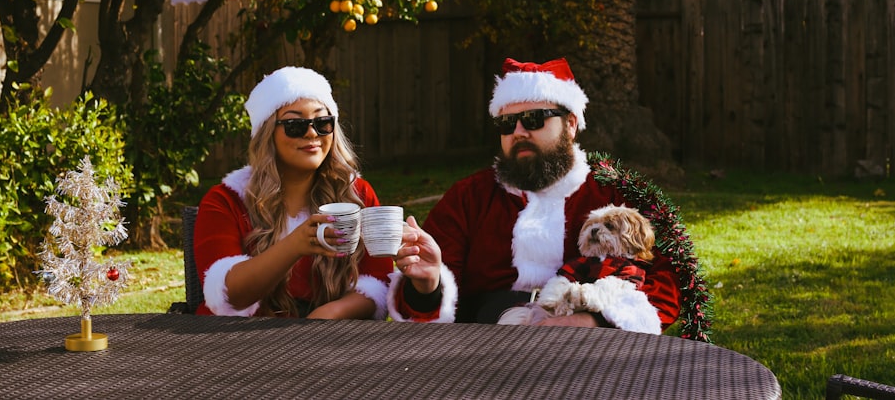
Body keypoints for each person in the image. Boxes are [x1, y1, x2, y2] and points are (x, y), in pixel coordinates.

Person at [387, 57, 682, 328]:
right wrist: (427, 286)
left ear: (570, 125)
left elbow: (668, 281)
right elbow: (424, 304)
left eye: (534, 119)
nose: (518, 132)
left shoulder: (616, 195)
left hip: (595, 347)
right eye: (506, 123)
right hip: (487, 349)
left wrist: (594, 322)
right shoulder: (468, 198)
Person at [193, 66, 391, 319]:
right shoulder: (227, 200)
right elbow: (227, 296)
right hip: (238, 345)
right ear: (267, 134)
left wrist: (328, 315)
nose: (312, 133)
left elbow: (377, 282)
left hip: (328, 344)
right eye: (295, 125)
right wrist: (294, 246)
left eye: (322, 123)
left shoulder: (355, 194)